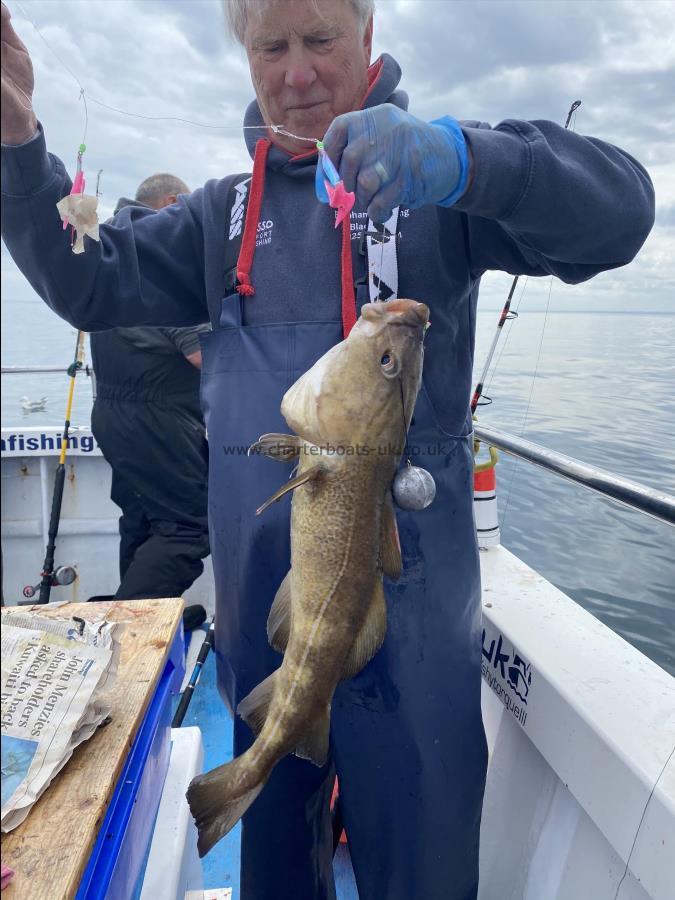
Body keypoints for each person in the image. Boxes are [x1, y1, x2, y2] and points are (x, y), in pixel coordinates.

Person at [0, 1, 654, 898]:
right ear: (246, 56)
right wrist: (16, 146)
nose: (297, 73)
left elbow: (620, 214)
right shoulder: (217, 217)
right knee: (273, 864)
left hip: (415, 631)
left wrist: (468, 161)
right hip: (264, 629)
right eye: (272, 46)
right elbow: (83, 278)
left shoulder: (444, 196)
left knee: (421, 865)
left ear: (368, 42)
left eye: (320, 41)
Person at [88, 175, 211, 631]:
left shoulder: (116, 252)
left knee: (142, 519)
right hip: (158, 417)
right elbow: (203, 359)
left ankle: (144, 612)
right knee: (187, 528)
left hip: (113, 413)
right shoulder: (164, 260)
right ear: (175, 204)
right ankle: (126, 629)